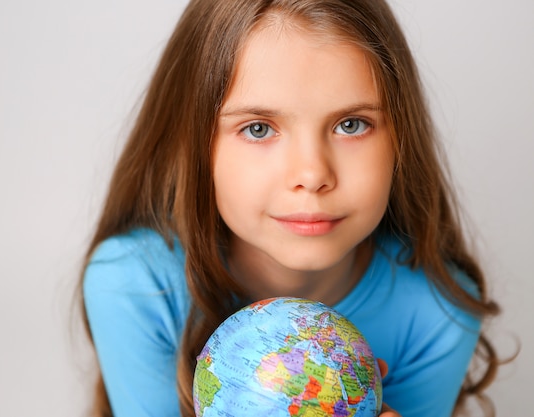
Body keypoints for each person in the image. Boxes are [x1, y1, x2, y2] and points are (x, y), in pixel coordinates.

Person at [79, 0, 501, 416]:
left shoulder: (438, 313)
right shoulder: (137, 286)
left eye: (350, 124)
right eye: (258, 128)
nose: (312, 173)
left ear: (400, 141)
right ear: (191, 146)